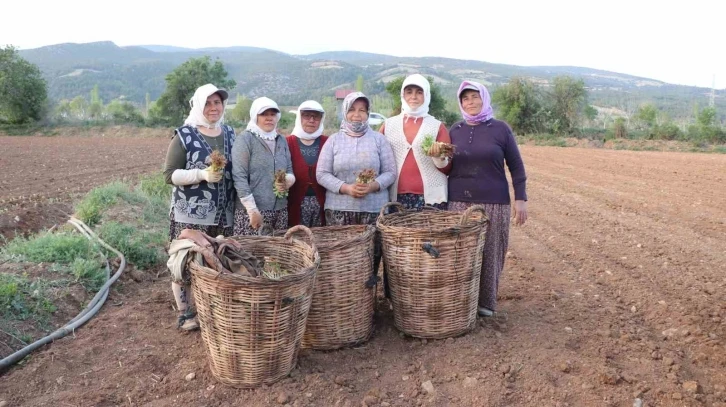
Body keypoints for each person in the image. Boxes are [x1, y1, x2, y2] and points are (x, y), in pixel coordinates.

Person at [448, 80, 529, 317]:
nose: (470, 102)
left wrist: (521, 199)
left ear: (484, 98)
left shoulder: (501, 129)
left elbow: (516, 165)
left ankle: (486, 303)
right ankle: (461, 301)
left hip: (494, 201)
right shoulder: (455, 130)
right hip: (458, 202)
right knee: (460, 253)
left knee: (491, 251)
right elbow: (445, 164)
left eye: (475, 97)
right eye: (465, 98)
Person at [163, 83, 236, 330]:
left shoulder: (230, 133)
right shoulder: (184, 134)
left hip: (223, 213)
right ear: (198, 105)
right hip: (191, 213)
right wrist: (201, 174)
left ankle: (213, 310)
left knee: (216, 262)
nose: (213, 108)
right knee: (185, 262)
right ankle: (185, 313)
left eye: (217, 103)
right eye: (208, 103)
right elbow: (170, 174)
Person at [316, 91, 396, 226]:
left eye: (362, 110)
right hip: (339, 211)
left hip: (374, 210)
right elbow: (322, 174)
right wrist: (346, 188)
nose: (357, 115)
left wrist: (373, 186)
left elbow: (390, 172)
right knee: (344, 247)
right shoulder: (333, 140)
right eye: (351, 110)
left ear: (368, 113)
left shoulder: (379, 139)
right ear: (345, 112)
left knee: (373, 247)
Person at [380, 74, 452, 211]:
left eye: (419, 92)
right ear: (402, 95)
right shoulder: (388, 125)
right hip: (395, 198)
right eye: (409, 92)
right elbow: (376, 158)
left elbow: (448, 168)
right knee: (396, 233)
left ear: (426, 95)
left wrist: (438, 157)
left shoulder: (437, 126)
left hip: (430, 199)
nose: (413, 96)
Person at [231, 97, 294, 235]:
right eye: (264, 114)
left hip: (280, 211)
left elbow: (289, 169)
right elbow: (239, 177)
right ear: (255, 116)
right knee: (250, 255)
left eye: (272, 114)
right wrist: (252, 210)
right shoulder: (245, 139)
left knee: (276, 255)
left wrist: (287, 181)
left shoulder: (281, 140)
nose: (269, 118)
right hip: (252, 212)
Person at [286, 100, 328, 228]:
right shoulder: (287, 142)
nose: (311, 120)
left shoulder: (328, 142)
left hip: (322, 204)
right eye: (306, 115)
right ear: (299, 118)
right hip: (294, 204)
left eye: (316, 116)